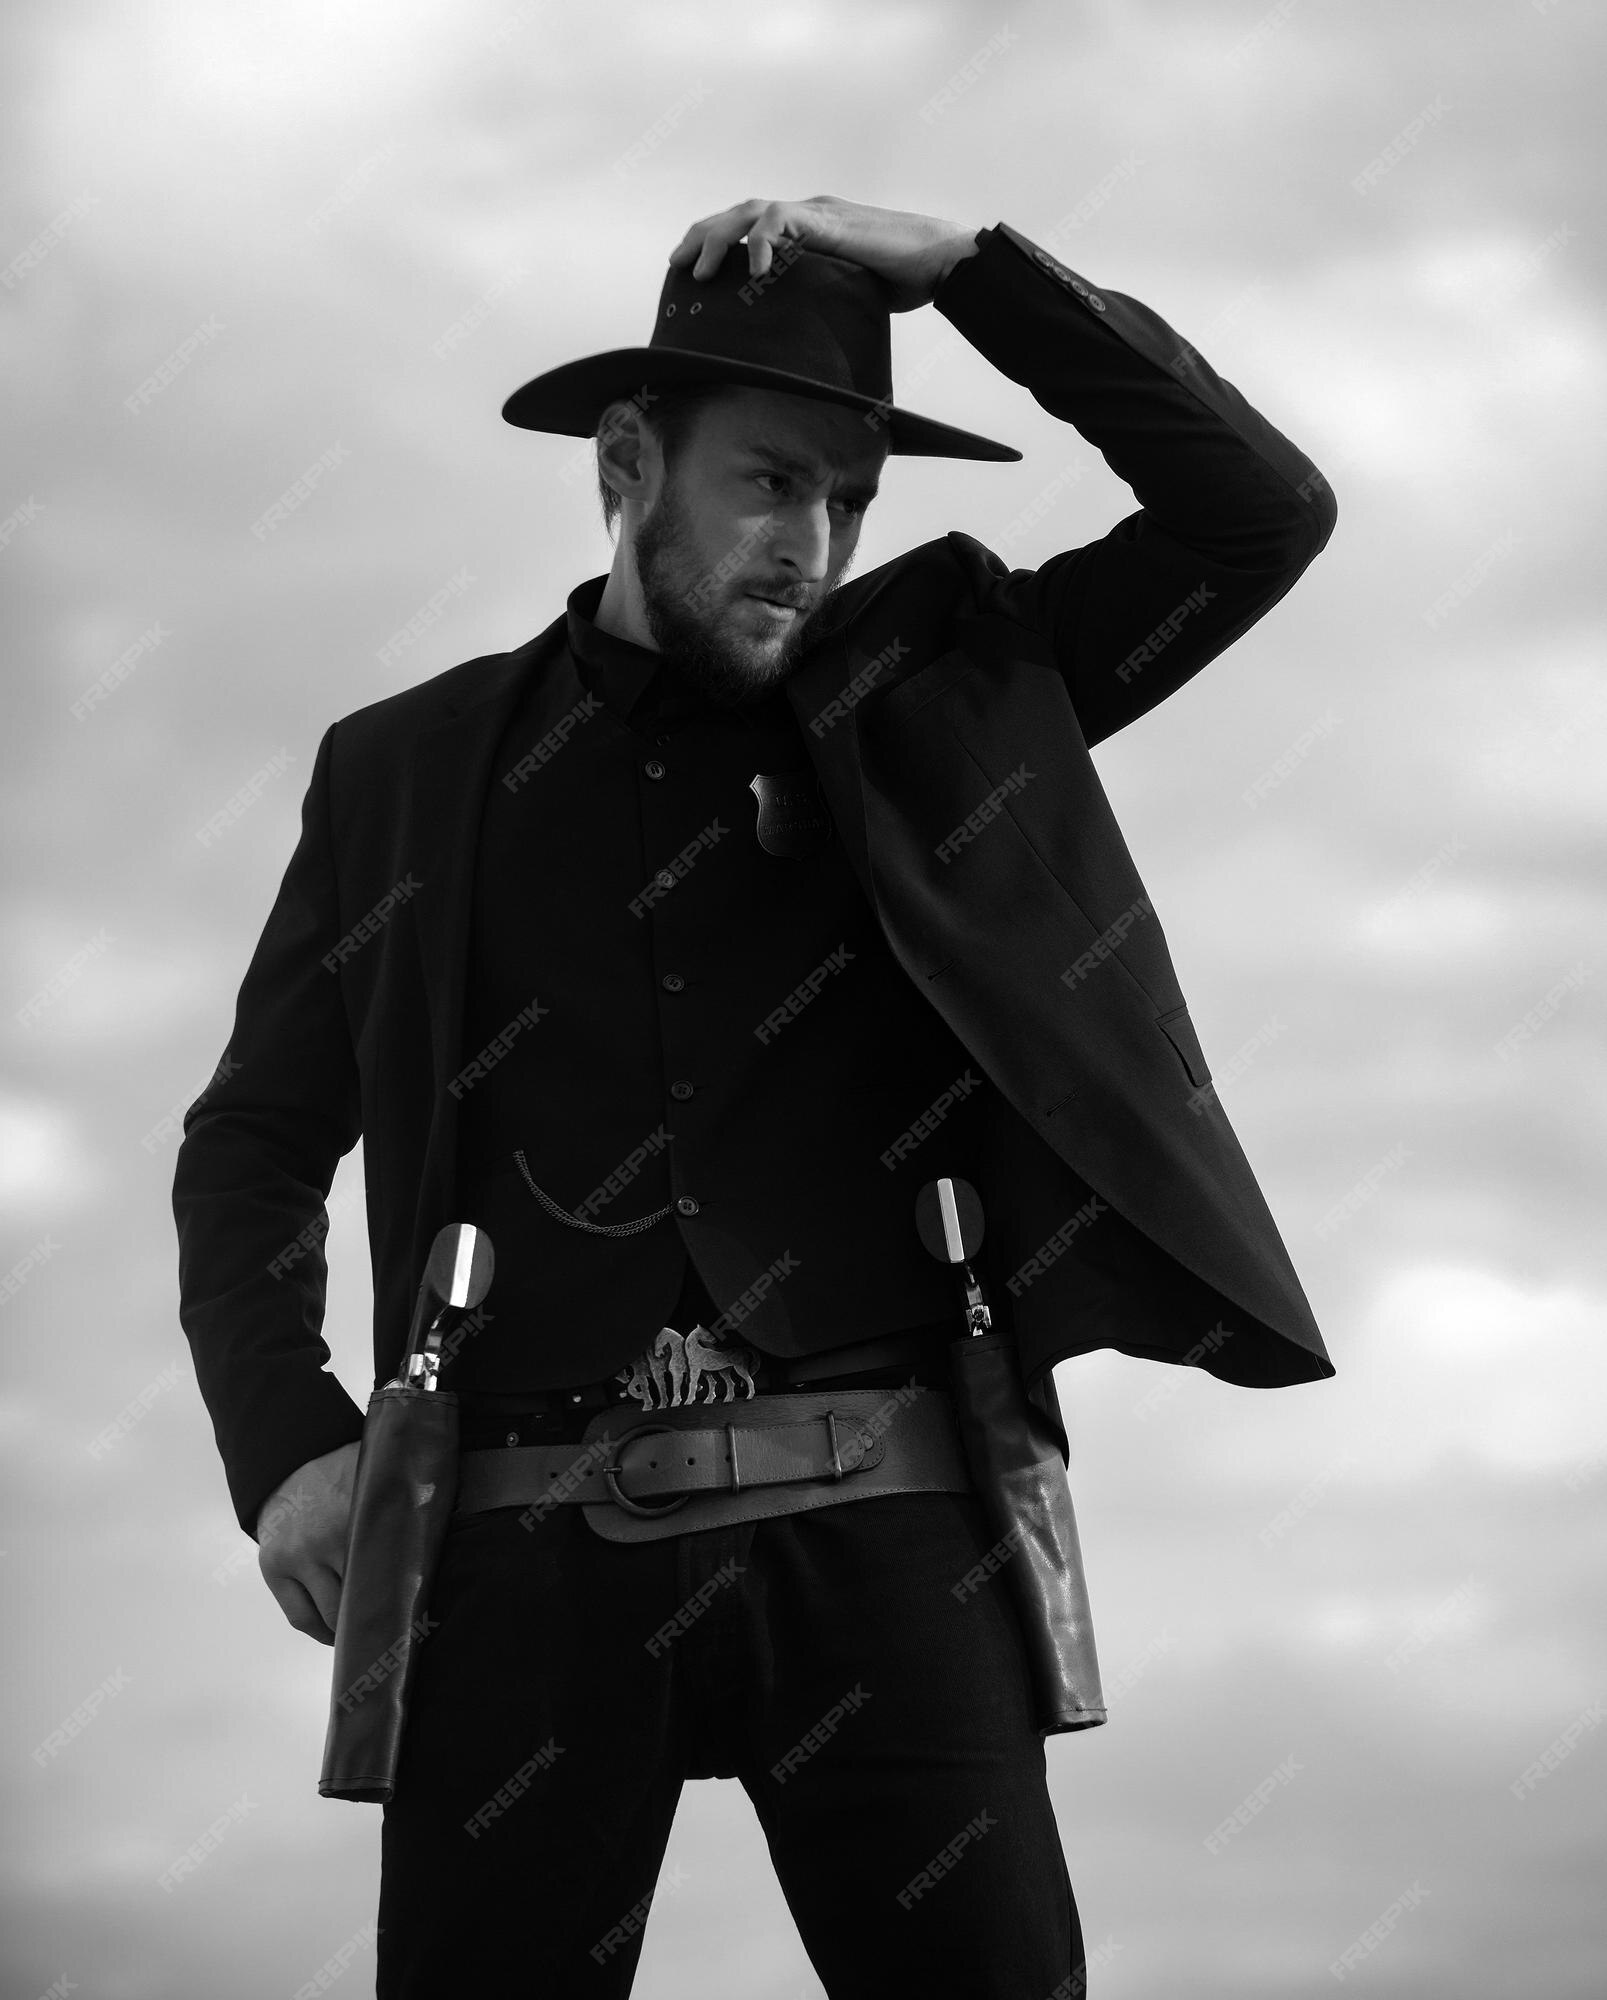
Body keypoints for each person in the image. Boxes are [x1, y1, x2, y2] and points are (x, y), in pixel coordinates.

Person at [173, 194, 1339, 1996]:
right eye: (772, 482)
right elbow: (250, 1141)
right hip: (518, 1555)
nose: (815, 541)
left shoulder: (949, 698)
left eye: (850, 499)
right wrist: (285, 1447)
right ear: (626, 464)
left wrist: (971, 271)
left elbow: (1259, 511)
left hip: (889, 1529)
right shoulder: (404, 771)